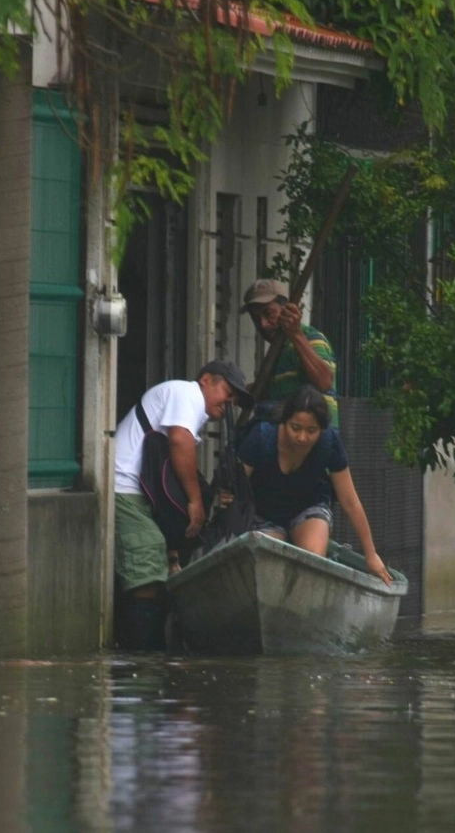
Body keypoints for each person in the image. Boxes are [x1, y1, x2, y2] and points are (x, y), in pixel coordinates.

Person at [112, 360, 254, 649]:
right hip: (123, 486)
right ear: (205, 380)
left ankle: (147, 656)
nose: (230, 402)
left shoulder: (188, 407)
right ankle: (144, 657)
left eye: (236, 400)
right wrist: (195, 501)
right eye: (228, 391)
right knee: (149, 555)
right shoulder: (185, 394)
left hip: (138, 491)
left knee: (162, 563)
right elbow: (178, 441)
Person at [237, 384, 392, 584]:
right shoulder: (261, 437)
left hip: (309, 507)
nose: (302, 438)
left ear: (322, 429)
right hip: (264, 512)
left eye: (311, 431)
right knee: (267, 564)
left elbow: (349, 501)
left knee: (311, 563)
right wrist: (228, 496)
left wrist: (371, 554)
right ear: (284, 421)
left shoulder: (329, 443)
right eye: (295, 428)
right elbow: (236, 486)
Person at [243, 278, 339, 428]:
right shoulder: (277, 353)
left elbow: (324, 381)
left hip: (316, 439)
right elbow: (272, 393)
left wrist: (296, 334)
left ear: (286, 309)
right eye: (256, 319)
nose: (263, 324)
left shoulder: (311, 338)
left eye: (269, 314)